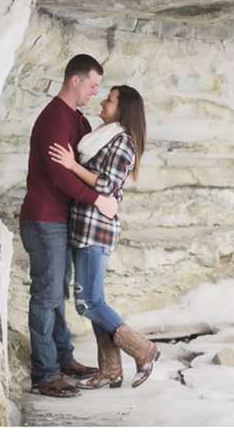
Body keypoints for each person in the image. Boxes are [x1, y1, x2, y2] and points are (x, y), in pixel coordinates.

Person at [19, 54, 119, 398]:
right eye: (92, 85)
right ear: (74, 80)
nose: (95, 92)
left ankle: (63, 359)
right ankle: (44, 373)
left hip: (61, 221)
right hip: (44, 218)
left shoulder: (76, 120)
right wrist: (98, 200)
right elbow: (61, 177)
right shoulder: (54, 120)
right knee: (46, 296)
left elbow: (86, 166)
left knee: (57, 293)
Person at [48, 85, 159, 390]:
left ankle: (143, 349)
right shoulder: (105, 137)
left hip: (96, 229)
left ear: (122, 109)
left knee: (88, 303)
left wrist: (71, 166)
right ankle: (110, 370)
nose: (103, 101)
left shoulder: (122, 142)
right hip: (85, 226)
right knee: (95, 300)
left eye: (109, 99)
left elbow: (107, 185)